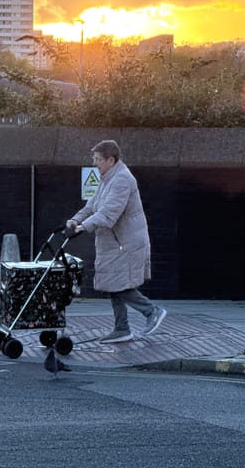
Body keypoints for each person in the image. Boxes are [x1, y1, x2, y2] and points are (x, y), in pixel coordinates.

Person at [66, 139, 166, 344]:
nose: (94, 164)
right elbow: (92, 205)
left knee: (120, 285)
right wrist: (75, 219)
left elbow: (109, 213)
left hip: (126, 243)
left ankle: (152, 311)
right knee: (112, 283)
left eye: (97, 160)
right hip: (114, 242)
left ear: (110, 160)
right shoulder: (106, 178)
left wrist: (84, 227)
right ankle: (122, 329)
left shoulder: (122, 180)